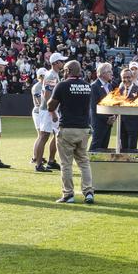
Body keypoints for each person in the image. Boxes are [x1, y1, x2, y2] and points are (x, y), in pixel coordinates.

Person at [46, 60, 95, 204]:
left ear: (68, 71)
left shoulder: (62, 85)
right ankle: (89, 192)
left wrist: (50, 97)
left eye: (64, 70)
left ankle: (68, 194)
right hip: (84, 128)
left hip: (67, 128)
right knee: (84, 162)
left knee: (66, 164)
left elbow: (50, 106)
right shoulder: (87, 86)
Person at [34, 52, 66, 171]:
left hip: (50, 109)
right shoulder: (52, 76)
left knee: (55, 135)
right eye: (61, 61)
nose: (63, 63)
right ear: (56, 63)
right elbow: (47, 95)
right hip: (48, 110)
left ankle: (51, 161)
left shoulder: (53, 74)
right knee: (44, 136)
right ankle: (39, 164)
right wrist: (52, 112)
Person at [116, 67, 138, 151]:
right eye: (124, 77)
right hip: (121, 125)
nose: (126, 79)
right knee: (123, 150)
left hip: (133, 125)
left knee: (132, 150)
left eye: (128, 77)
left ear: (132, 77)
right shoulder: (119, 91)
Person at [90, 63, 115, 151]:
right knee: (95, 146)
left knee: (104, 147)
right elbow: (94, 107)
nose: (112, 73)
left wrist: (113, 116)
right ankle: (89, 160)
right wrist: (107, 119)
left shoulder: (110, 86)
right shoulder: (94, 86)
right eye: (109, 71)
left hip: (109, 122)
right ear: (102, 73)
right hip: (98, 122)